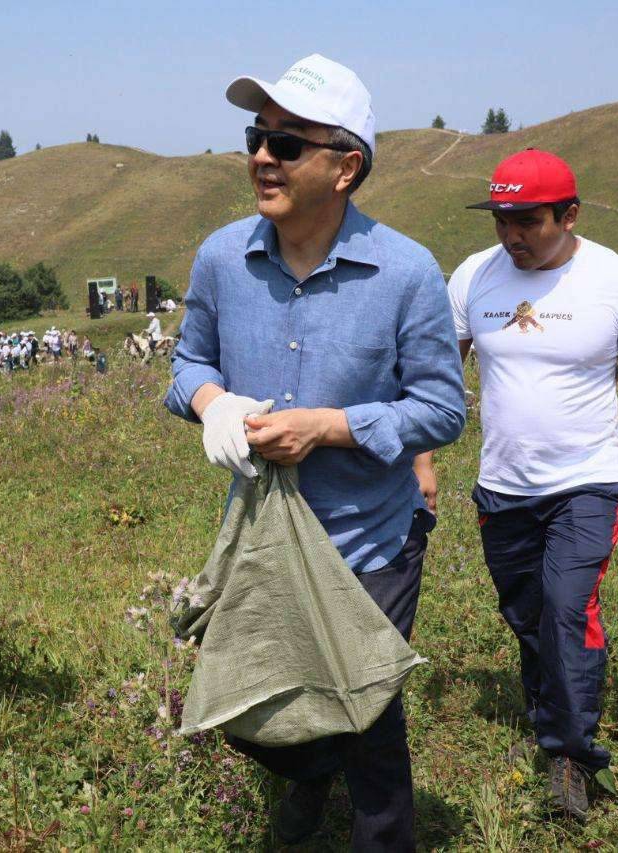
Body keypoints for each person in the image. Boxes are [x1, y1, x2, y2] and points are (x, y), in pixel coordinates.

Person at [165, 53, 465, 849]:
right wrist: (213, 403)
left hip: (370, 537)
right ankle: (299, 796)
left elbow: (441, 410)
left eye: (289, 144)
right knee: (278, 687)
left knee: (365, 705)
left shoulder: (407, 273)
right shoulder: (223, 259)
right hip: (264, 537)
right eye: (258, 137)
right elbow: (187, 365)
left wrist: (326, 427)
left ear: (346, 167)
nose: (263, 156)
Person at [446, 148, 618, 821]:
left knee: (569, 608)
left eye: (528, 221)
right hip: (503, 486)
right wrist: (420, 460)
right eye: (501, 220)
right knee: (529, 615)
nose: (511, 234)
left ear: (569, 214)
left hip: (587, 482)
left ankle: (572, 755)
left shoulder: (616, 281)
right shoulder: (472, 279)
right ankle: (554, 702)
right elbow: (436, 371)